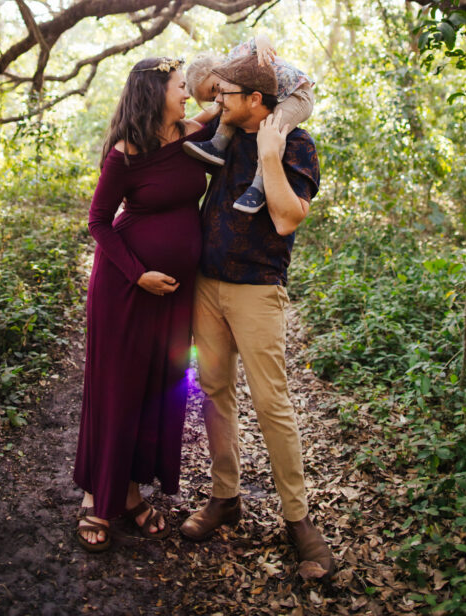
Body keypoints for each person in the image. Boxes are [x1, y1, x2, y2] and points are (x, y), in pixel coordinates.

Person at [179, 55, 334, 580]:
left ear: (256, 101)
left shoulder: (297, 144)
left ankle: (298, 520)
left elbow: (289, 218)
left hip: (258, 289)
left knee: (272, 404)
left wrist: (269, 156)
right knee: (215, 390)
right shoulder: (221, 129)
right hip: (207, 283)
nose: (216, 101)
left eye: (227, 95)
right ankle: (226, 497)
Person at [73, 57, 209, 552]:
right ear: (156, 95)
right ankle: (96, 497)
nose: (187, 95)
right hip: (127, 290)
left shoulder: (192, 134)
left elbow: (233, 100)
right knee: (119, 391)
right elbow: (99, 222)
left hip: (173, 297)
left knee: (157, 389)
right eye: (179, 87)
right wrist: (139, 274)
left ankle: (129, 493)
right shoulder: (123, 155)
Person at [184, 32, 314, 214]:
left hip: (298, 95)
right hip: (277, 95)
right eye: (212, 97)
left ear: (217, 67)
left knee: (271, 129)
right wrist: (184, 123)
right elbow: (213, 111)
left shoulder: (236, 57)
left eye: (215, 88)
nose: (217, 98)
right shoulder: (229, 92)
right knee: (230, 107)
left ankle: (259, 187)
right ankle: (218, 145)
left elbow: (260, 38)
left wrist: (263, 45)